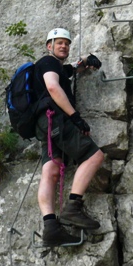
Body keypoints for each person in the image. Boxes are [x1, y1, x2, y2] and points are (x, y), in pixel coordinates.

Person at [35, 28, 105, 247]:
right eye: (59, 43)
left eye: (67, 43)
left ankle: (51, 228)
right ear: (49, 46)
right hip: (55, 118)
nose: (63, 46)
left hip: (44, 124)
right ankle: (73, 208)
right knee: (94, 156)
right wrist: (75, 117)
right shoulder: (48, 63)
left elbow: (70, 69)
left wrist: (85, 60)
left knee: (51, 170)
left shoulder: (56, 67)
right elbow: (53, 87)